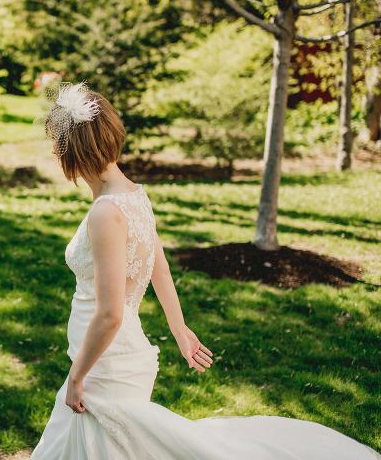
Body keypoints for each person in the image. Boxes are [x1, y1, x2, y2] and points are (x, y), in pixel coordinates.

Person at [30, 82, 381, 459]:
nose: (54, 153)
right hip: (109, 355)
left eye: (57, 146)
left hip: (103, 363)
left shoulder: (105, 212)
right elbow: (159, 266)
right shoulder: (133, 195)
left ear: (73, 150)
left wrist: (79, 375)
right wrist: (180, 331)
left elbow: (110, 313)